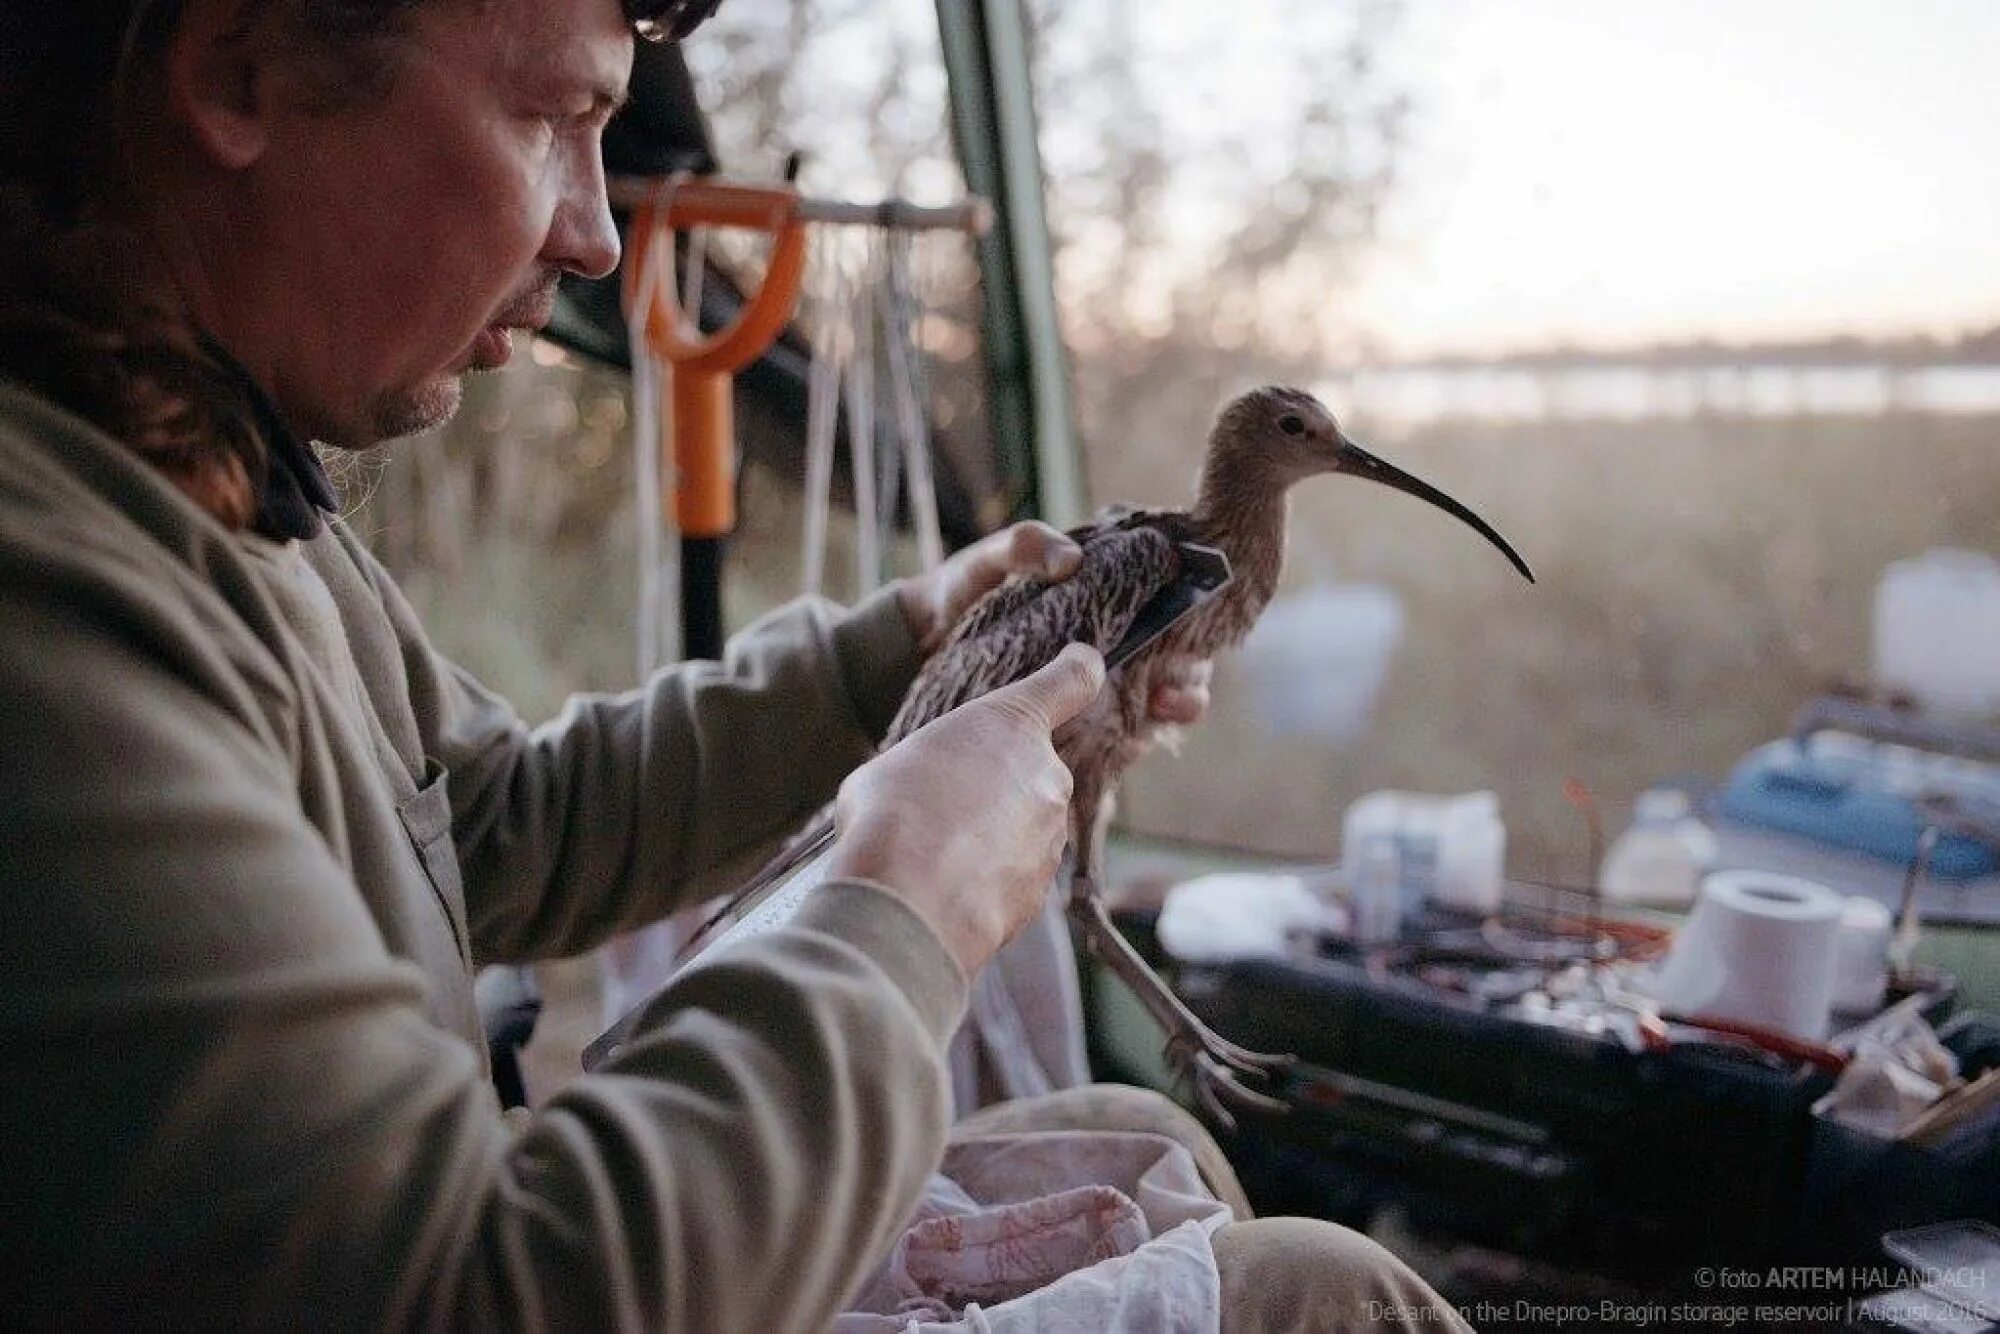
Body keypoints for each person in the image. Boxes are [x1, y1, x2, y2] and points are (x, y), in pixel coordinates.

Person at [0, 0, 1472, 1328]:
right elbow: (469, 1285)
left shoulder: (232, 478)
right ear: (240, 70)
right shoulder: (56, 604)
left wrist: (911, 648)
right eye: (551, 117)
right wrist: (899, 903)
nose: (597, 236)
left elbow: (502, 826)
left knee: (1142, 1132)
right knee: (1326, 1295)